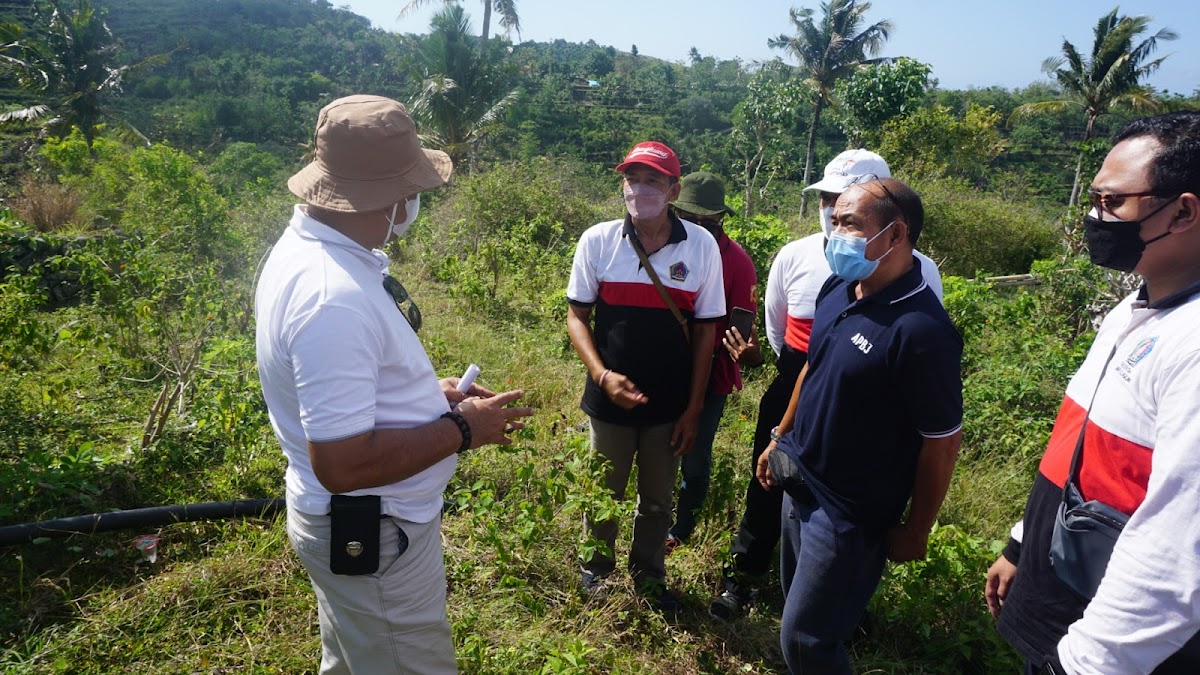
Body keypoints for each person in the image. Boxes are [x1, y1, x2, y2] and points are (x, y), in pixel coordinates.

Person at [255, 95, 533, 674]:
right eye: (409, 190)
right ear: (383, 195)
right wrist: (462, 428)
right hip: (373, 533)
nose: (413, 202)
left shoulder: (315, 252)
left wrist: (431, 396)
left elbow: (351, 393)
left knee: (356, 658)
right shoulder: (332, 297)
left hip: (358, 528)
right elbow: (342, 464)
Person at [986, 111, 1200, 674]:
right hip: (1065, 592)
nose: (1093, 217)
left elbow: (1178, 550)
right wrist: (1021, 543)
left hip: (1110, 647)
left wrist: (1087, 663)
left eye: (1112, 203)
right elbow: (1077, 447)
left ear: (1183, 211)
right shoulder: (1134, 310)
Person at [710, 149, 944, 620]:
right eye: (826, 201)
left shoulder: (921, 272)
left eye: (844, 202)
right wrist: (787, 415)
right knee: (767, 488)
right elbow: (778, 330)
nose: (832, 213)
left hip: (866, 402)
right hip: (797, 381)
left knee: (840, 506)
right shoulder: (797, 256)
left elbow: (915, 358)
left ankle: (830, 605)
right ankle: (746, 575)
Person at [757, 178, 963, 673]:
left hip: (849, 512)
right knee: (799, 615)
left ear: (895, 235)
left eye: (850, 223)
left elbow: (941, 443)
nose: (835, 232)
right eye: (834, 220)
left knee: (808, 640)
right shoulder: (838, 288)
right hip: (800, 477)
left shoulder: (921, 331)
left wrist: (917, 529)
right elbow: (813, 363)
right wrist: (780, 437)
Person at [566, 141, 726, 611]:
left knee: (657, 498)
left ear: (674, 189)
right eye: (633, 179)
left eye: (653, 181)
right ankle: (595, 569)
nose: (641, 190)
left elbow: (705, 332)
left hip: (669, 403)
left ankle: (649, 576)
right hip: (608, 401)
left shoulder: (701, 247)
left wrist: (694, 407)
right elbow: (577, 316)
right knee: (603, 489)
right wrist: (602, 377)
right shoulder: (598, 240)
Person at [665, 171, 761, 551]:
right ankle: (654, 510)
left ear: (721, 219)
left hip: (711, 374)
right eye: (691, 219)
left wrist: (746, 350)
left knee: (695, 451)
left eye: (709, 221)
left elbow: (742, 327)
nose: (699, 227)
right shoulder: (664, 246)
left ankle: (683, 525)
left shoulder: (738, 263)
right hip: (662, 366)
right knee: (656, 444)